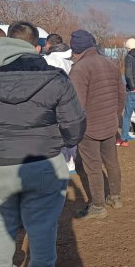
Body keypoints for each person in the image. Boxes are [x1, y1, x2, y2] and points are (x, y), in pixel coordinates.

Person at [0, 21, 86, 266]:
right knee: (42, 236)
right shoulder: (55, 77)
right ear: (35, 46)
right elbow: (74, 127)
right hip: (43, 164)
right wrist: (54, 142)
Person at [70, 29, 125, 219]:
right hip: (109, 123)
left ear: (75, 49)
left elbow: (76, 104)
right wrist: (114, 116)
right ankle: (115, 198)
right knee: (112, 162)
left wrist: (76, 127)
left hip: (89, 128)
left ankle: (98, 206)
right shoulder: (110, 63)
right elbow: (121, 95)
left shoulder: (79, 68)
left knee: (92, 167)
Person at [43, 42, 77, 173]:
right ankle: (71, 160)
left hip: (52, 103)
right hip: (68, 101)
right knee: (68, 131)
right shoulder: (70, 63)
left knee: (57, 132)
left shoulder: (47, 61)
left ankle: (63, 160)